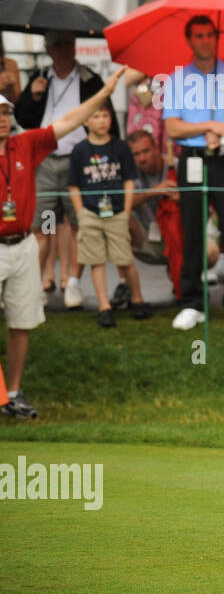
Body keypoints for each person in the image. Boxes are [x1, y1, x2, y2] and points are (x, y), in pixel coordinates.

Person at [0, 70, 125, 419]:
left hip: (23, 243)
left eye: (7, 113)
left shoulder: (24, 144)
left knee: (22, 321)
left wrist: (105, 94)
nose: (4, 120)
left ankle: (12, 393)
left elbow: (69, 120)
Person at [163, 16, 224, 332]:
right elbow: (173, 127)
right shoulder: (178, 79)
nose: (205, 40)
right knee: (192, 231)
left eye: (210, 35)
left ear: (216, 38)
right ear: (189, 40)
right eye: (199, 36)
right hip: (192, 157)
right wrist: (209, 125)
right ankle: (193, 302)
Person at [13, 30, 118, 308]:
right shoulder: (40, 77)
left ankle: (72, 281)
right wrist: (34, 97)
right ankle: (36, 284)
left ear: (75, 46)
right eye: (57, 44)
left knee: (76, 224)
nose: (63, 49)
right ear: (48, 49)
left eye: (68, 43)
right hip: (46, 162)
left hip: (79, 159)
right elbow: (22, 118)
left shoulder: (89, 79)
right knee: (43, 224)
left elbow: (106, 116)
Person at [67, 105, 149, 326]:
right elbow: (73, 185)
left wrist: (126, 210)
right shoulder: (80, 151)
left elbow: (129, 180)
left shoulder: (120, 148)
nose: (102, 121)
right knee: (97, 261)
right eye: (96, 116)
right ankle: (104, 306)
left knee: (125, 259)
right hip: (91, 213)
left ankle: (138, 299)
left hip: (117, 212)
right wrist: (81, 213)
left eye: (105, 116)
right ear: (85, 121)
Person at [126, 129, 184, 304]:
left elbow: (201, 203)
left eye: (146, 151)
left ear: (156, 148)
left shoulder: (177, 165)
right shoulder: (130, 173)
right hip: (147, 241)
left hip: (179, 237)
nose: (142, 158)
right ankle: (127, 287)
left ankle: (185, 278)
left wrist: (182, 198)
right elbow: (122, 204)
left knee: (211, 253)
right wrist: (154, 191)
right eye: (136, 154)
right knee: (118, 221)